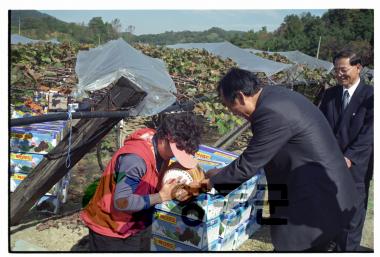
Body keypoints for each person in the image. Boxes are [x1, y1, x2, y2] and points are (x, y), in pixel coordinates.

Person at [186, 67, 359, 252]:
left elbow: (248, 164)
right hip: (320, 190)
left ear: (240, 97)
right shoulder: (274, 97)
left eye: (230, 106)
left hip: (314, 201)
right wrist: (223, 172)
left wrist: (207, 184)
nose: (232, 112)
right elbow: (259, 153)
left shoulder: (271, 112)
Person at [80, 112, 202, 251]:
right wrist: (161, 196)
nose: (177, 157)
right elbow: (121, 202)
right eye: (178, 152)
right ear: (168, 138)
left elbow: (150, 178)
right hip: (111, 228)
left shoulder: (158, 144)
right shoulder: (135, 160)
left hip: (137, 220)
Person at [319, 50, 373, 251]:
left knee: (352, 211)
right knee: (331, 205)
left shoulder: (371, 96)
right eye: (336, 70)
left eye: (343, 69)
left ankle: (348, 249)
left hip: (356, 165)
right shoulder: (330, 94)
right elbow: (321, 126)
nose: (339, 74)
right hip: (331, 162)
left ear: (358, 68)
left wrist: (349, 157)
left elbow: (370, 133)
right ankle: (331, 243)